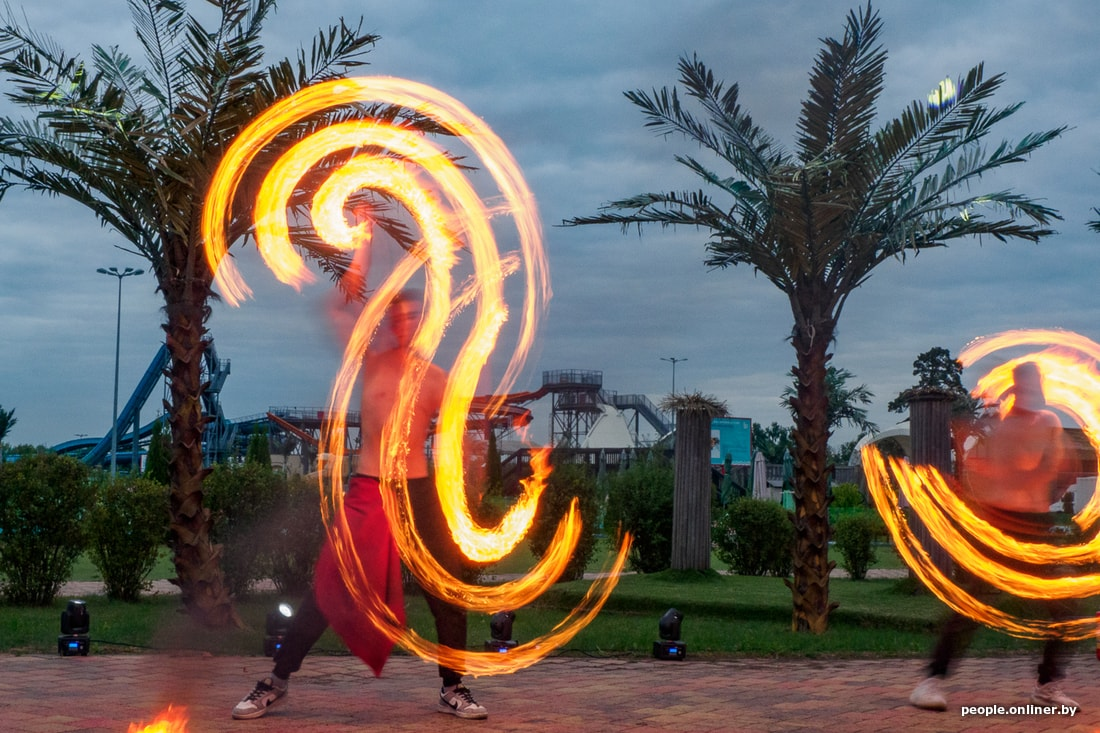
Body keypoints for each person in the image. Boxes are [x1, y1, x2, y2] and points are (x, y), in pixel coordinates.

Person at [232, 282, 488, 721]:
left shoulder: (438, 379)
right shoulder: (371, 364)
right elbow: (334, 307)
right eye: (397, 317)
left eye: (412, 317)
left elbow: (460, 436)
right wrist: (362, 245)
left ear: (424, 323)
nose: (404, 324)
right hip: (369, 489)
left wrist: (471, 481)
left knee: (446, 589)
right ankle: (276, 681)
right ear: (388, 323)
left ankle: (453, 686)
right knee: (331, 586)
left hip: (418, 494)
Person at [909, 361, 1080, 712]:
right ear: (1017, 388)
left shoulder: (1040, 424)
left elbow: (1063, 468)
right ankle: (930, 681)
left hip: (1036, 527)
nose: (1034, 391)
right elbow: (992, 476)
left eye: (1036, 384)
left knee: (1065, 608)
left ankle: (1047, 687)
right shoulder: (1004, 428)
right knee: (974, 604)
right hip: (1002, 524)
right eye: (1027, 384)